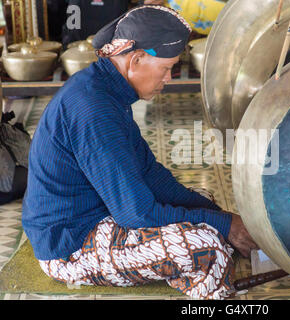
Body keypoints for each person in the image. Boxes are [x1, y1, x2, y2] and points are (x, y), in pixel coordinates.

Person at [22, 4, 258, 300]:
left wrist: (220, 215)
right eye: (166, 68)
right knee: (206, 247)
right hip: (71, 244)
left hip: (102, 213)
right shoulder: (94, 109)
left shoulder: (105, 89)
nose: (168, 78)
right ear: (135, 60)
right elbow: (136, 213)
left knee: (204, 202)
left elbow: (148, 172)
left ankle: (186, 267)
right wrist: (223, 225)